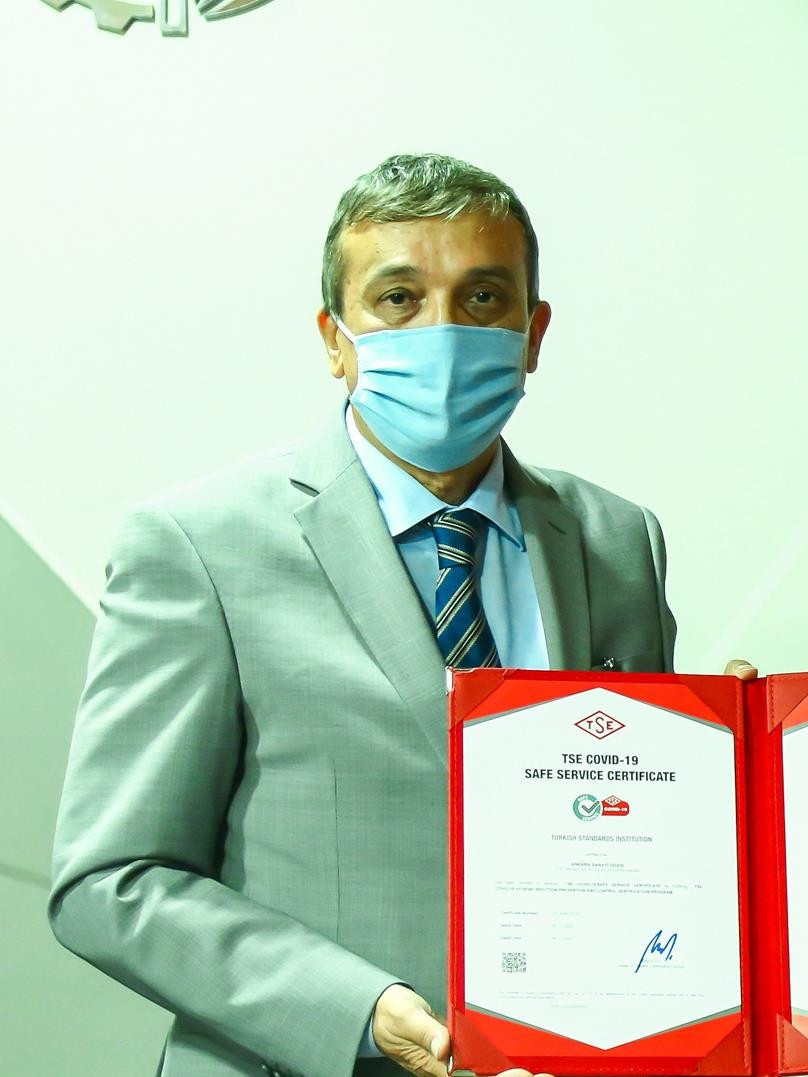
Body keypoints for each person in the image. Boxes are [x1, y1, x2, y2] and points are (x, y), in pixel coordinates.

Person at [48, 154, 752, 1077]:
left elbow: (626, 829)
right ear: (334, 339)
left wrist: (741, 773)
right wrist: (357, 1007)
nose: (443, 332)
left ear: (533, 332)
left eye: (483, 297)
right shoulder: (199, 545)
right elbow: (112, 880)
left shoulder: (618, 541)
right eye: (398, 298)